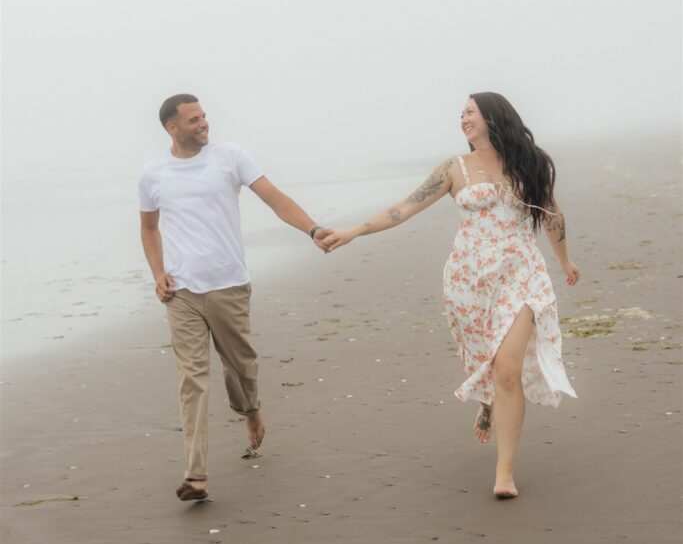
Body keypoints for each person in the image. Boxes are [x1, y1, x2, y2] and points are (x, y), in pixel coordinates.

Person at [322, 92, 579, 499]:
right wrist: (353, 231)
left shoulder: (529, 163)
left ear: (494, 117)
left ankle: (504, 472)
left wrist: (564, 261)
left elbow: (551, 212)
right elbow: (403, 208)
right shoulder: (454, 168)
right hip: (469, 281)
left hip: (522, 276)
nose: (463, 119)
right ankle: (490, 401)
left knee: (508, 368)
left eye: (470, 112)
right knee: (492, 363)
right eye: (461, 114)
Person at [138, 94, 330, 502]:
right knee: (193, 379)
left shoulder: (230, 157)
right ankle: (196, 476)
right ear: (172, 128)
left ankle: (251, 408)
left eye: (204, 116)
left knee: (240, 366)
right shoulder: (153, 174)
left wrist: (312, 229)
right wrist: (158, 274)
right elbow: (149, 229)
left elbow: (274, 198)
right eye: (193, 120)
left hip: (229, 286)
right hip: (182, 293)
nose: (203, 124)